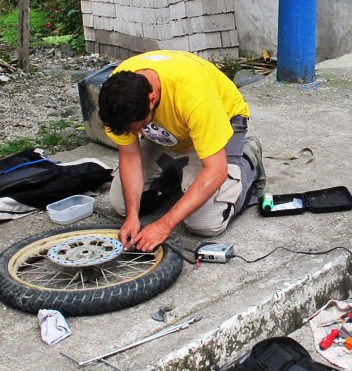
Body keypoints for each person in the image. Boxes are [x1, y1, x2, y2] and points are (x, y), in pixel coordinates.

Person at [98, 50, 265, 252]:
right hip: (172, 132)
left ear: (151, 99)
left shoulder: (193, 94)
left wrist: (165, 224)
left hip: (222, 122)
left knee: (206, 222)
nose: (136, 134)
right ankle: (179, 171)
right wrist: (132, 217)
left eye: (139, 127)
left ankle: (248, 157)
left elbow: (216, 171)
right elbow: (130, 156)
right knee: (122, 205)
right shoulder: (117, 97)